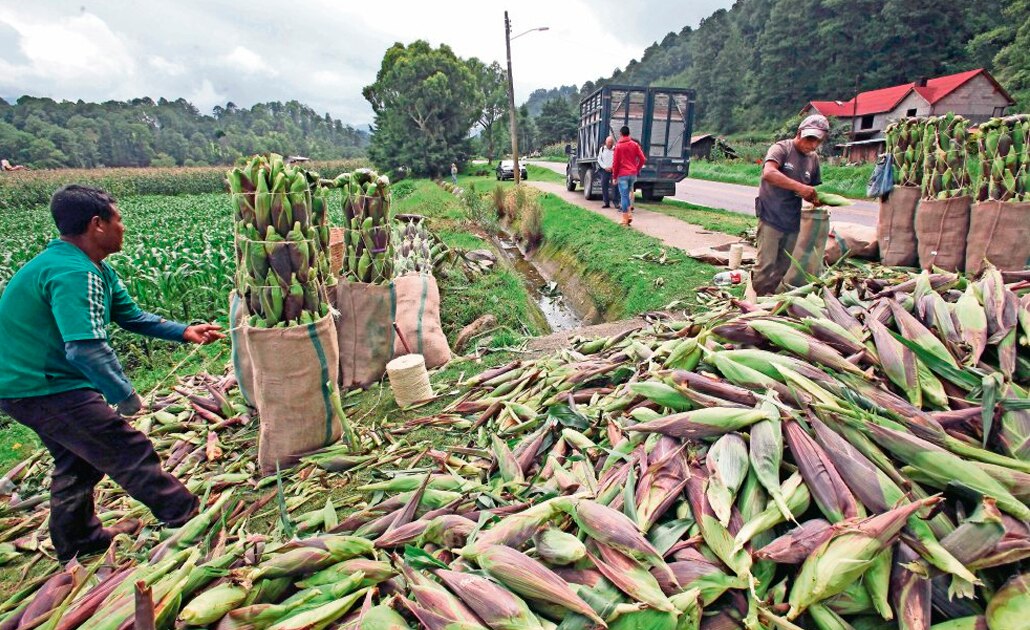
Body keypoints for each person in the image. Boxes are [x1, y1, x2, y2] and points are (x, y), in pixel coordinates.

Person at [0, 185, 225, 563]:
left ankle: (79, 541)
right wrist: (124, 396)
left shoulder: (91, 267)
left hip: (27, 383)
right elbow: (84, 348)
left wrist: (185, 331)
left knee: (78, 460)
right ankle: (184, 515)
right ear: (96, 225)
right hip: (41, 385)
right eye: (118, 220)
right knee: (125, 447)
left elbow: (131, 316)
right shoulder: (72, 273)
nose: (123, 227)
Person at [752, 114, 829, 295]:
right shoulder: (781, 149)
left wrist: (816, 199)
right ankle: (754, 301)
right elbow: (769, 173)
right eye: (809, 139)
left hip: (793, 219)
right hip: (771, 215)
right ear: (799, 133)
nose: (812, 145)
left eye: (817, 141)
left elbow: (809, 190)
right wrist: (800, 187)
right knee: (766, 265)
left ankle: (769, 301)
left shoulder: (813, 159)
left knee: (784, 266)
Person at [611, 126, 646, 226]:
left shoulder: (618, 146)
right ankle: (629, 214)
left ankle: (625, 218)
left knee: (624, 196)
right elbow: (642, 159)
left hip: (623, 174)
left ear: (621, 134)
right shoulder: (635, 145)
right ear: (629, 133)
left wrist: (614, 176)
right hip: (632, 174)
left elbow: (616, 163)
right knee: (631, 192)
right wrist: (637, 168)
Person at [596, 136, 615, 208]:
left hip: (613, 170)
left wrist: (613, 167)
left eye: (611, 142)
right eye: (608, 142)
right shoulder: (602, 149)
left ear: (612, 143)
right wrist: (605, 167)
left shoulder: (615, 149)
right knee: (604, 186)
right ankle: (606, 202)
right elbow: (599, 160)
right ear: (606, 142)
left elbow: (617, 159)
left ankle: (616, 202)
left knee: (614, 187)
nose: (609, 144)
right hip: (605, 170)